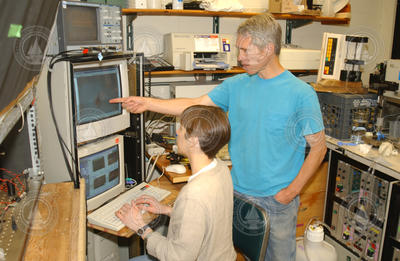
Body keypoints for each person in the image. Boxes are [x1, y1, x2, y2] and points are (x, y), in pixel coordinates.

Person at [111, 13, 327, 261]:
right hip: (237, 193)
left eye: (245, 50)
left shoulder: (301, 94)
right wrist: (146, 103)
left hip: (276, 202)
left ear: (268, 49)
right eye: (238, 49)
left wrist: (290, 193)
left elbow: (318, 149)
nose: (239, 57)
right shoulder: (237, 85)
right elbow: (194, 105)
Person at [115, 105, 236, 261]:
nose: (177, 132)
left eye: (182, 128)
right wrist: (165, 209)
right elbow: (203, 219)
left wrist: (141, 228)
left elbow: (176, 257)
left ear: (193, 140)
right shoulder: (221, 168)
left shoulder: (193, 195)